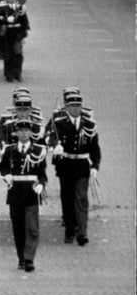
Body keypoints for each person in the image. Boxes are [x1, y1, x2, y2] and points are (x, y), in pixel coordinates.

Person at [47, 89, 101, 246]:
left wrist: (95, 166)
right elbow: (49, 136)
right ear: (67, 108)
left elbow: (95, 149)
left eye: (78, 106)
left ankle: (82, 233)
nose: (75, 109)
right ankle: (70, 229)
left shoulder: (89, 125)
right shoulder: (59, 123)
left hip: (82, 166)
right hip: (66, 165)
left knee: (81, 198)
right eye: (72, 106)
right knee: (68, 198)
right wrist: (55, 145)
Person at [0, 118, 47, 272]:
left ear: (31, 133)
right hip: (16, 192)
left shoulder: (38, 151)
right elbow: (2, 168)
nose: (24, 133)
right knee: (18, 228)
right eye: (21, 131)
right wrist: (6, 176)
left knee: (32, 227)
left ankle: (29, 259)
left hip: (31, 193)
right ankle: (21, 258)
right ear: (16, 133)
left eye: (27, 131)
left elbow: (42, 174)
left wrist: (41, 184)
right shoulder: (10, 150)